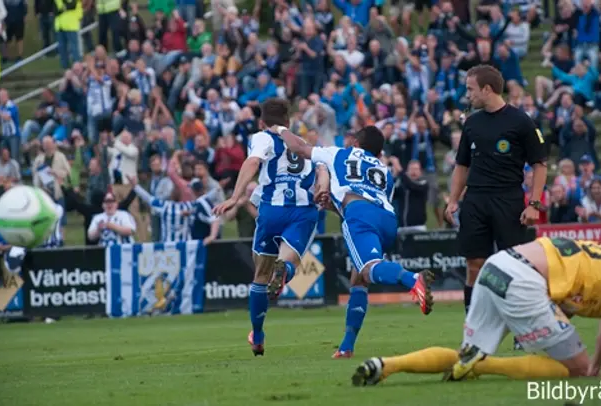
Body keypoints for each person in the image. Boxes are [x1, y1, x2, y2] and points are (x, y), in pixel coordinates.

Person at [352, 237, 601, 385]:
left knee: (464, 355)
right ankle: (483, 363)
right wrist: (596, 364)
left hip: (499, 264)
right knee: (579, 369)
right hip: (526, 279)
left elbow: (574, 291)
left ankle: (386, 365)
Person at [273, 124, 434, 358]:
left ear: (355, 144)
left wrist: (281, 129)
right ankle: (347, 347)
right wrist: (334, 205)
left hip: (360, 215)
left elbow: (299, 147)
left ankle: (413, 279)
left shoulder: (339, 152)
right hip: (388, 219)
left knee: (369, 269)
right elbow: (366, 197)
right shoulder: (384, 169)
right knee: (358, 279)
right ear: (379, 153)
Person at [212, 98, 327, 357]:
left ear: (262, 122)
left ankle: (258, 336)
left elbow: (252, 162)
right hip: (302, 212)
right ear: (288, 122)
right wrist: (323, 187)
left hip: (271, 210)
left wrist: (234, 196)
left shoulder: (262, 137)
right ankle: (284, 269)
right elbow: (322, 169)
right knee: (289, 262)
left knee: (260, 277)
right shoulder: (303, 144)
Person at [444, 65, 548, 315]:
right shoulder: (472, 123)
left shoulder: (521, 121)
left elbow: (540, 165)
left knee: (514, 266)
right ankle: (473, 326)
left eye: (471, 89)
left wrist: (533, 204)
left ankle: (524, 327)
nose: (467, 95)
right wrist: (453, 200)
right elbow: (461, 165)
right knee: (474, 265)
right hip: (475, 201)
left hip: (508, 199)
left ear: (487, 89)